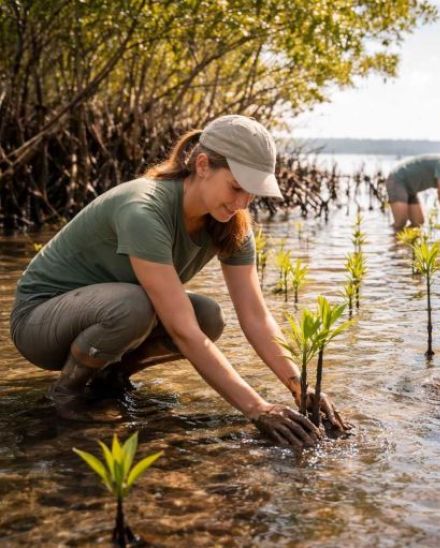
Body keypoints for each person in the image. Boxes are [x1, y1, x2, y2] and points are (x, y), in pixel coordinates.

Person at [10, 115, 348, 447]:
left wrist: (299, 387)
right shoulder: (143, 209)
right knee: (136, 307)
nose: (242, 203)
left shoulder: (232, 223)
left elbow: (256, 317)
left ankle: (111, 376)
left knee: (209, 317)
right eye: (236, 187)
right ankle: (66, 392)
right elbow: (182, 331)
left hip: (103, 320)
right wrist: (257, 408)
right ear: (202, 165)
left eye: (253, 193)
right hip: (39, 324)